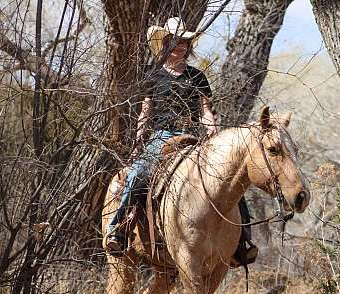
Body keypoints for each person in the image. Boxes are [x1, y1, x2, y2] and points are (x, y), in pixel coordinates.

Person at [104, 17, 258, 264]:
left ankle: (242, 241)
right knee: (137, 174)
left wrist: (212, 129)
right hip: (161, 137)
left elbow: (206, 111)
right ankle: (119, 229)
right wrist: (138, 142)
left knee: (229, 179)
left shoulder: (197, 77)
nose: (180, 46)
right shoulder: (153, 76)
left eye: (185, 41)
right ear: (165, 43)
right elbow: (146, 113)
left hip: (192, 138)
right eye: (175, 41)